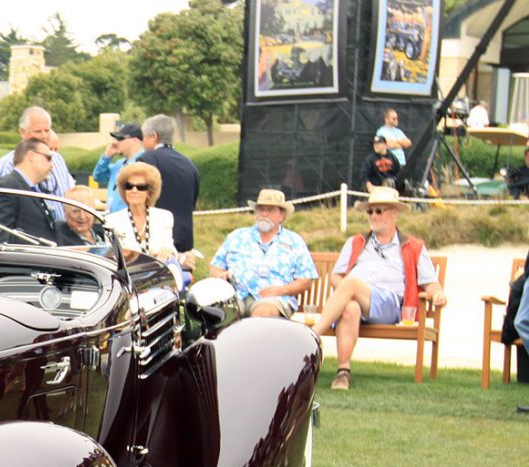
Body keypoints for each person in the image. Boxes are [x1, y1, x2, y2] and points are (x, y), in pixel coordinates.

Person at [311, 186, 446, 390]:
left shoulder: (413, 246)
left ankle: (311, 337)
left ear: (394, 213)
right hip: (358, 300)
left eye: (379, 211)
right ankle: (343, 374)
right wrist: (348, 292)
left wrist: (438, 294)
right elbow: (335, 277)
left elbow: (431, 283)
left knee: (351, 283)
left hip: (389, 304)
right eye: (370, 211)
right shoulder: (356, 242)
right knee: (350, 308)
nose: (373, 216)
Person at [210, 189, 316, 319]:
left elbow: (306, 280)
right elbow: (215, 267)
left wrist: (280, 290)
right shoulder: (237, 236)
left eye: (270, 210)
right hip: (237, 295)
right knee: (224, 312)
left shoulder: (294, 241)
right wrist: (221, 275)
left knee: (264, 312)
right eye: (261, 209)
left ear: (282, 216)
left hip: (275, 299)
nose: (264, 214)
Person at [135, 114, 200, 260]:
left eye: (144, 137)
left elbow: (139, 200)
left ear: (154, 136)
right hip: (184, 240)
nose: (143, 143)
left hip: (156, 240)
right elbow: (192, 201)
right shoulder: (190, 164)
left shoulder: (146, 160)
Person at [0, 106, 75, 210]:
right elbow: (0, 210)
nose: (44, 136)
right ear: (22, 132)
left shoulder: (58, 160)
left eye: (47, 130)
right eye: (38, 131)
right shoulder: (7, 165)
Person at [0, 139, 61, 244]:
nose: (52, 165)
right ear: (31, 155)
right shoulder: (7, 187)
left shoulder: (25, 187)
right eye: (48, 158)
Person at [106, 161, 178, 266]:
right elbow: (111, 257)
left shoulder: (164, 217)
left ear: (149, 192)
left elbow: (170, 247)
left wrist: (168, 250)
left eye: (141, 187)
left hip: (158, 274)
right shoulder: (111, 221)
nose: (134, 190)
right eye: (129, 186)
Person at [91, 124, 145, 213]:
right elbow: (98, 176)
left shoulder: (144, 163)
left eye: (120, 139)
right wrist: (107, 156)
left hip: (130, 220)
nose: (116, 142)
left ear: (134, 140)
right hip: (112, 218)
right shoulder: (119, 164)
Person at [57, 185, 107, 251]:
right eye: (75, 211)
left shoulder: (104, 232)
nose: (82, 216)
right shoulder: (59, 239)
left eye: (87, 210)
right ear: (65, 212)